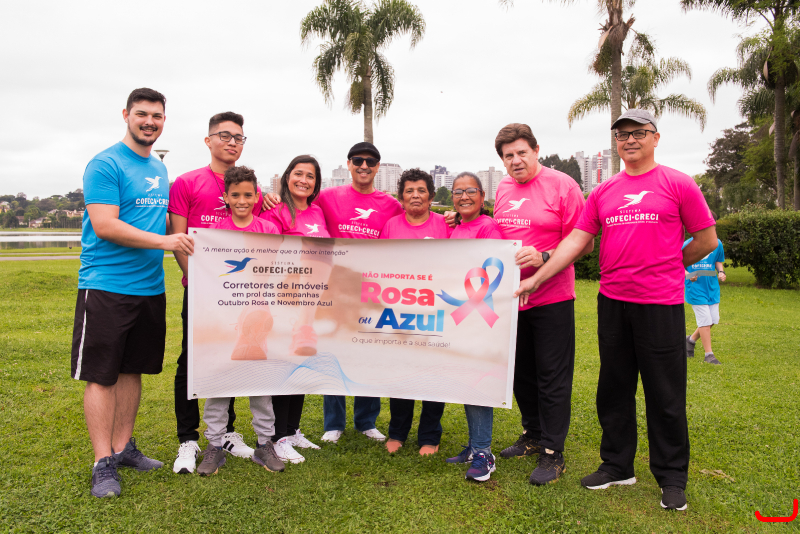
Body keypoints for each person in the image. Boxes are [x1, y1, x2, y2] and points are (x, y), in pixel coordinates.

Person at [515, 109, 718, 511]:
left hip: (659, 305)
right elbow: (576, 240)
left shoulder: (678, 183)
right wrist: (537, 278)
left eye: (639, 132)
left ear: (655, 138)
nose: (630, 140)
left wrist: (670, 265)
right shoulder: (604, 191)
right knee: (614, 389)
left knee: (665, 393)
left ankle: (671, 477)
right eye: (622, 134)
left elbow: (707, 239)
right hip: (612, 302)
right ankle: (617, 465)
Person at [72, 88, 194, 498]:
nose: (149, 122)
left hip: (149, 288)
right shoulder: (105, 164)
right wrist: (166, 242)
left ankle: (123, 448)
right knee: (101, 375)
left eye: (157, 116)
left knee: (131, 370)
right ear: (126, 114)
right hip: (106, 286)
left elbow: (164, 222)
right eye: (142, 114)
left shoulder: (158, 168)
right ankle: (102, 461)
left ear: (164, 121)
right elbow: (105, 225)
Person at [491, 123, 590, 486]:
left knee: (552, 376)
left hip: (552, 297)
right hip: (511, 299)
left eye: (521, 152)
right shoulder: (503, 188)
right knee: (521, 373)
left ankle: (552, 451)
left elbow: (584, 243)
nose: (515, 161)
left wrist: (544, 255)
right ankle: (532, 433)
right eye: (508, 156)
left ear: (536, 150)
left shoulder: (563, 186)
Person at [168, 112, 265, 474]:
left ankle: (227, 433)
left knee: (234, 356)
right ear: (208, 140)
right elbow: (179, 240)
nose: (232, 142)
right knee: (192, 360)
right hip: (201, 292)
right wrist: (199, 282)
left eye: (238, 137)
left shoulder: (251, 190)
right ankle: (188, 437)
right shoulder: (187, 182)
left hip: (241, 296)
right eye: (224, 135)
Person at [196, 166, 286, 476]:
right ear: (225, 197)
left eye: (248, 194)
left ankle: (264, 443)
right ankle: (215, 445)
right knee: (220, 379)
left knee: (260, 380)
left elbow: (277, 270)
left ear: (257, 196)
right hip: (223, 317)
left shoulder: (269, 230)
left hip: (259, 314)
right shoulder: (214, 233)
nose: (242, 200)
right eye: (235, 195)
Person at [315, 142, 403, 444]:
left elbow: (413, 223)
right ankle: (333, 423)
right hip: (335, 287)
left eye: (370, 161)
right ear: (349, 164)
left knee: (369, 352)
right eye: (358, 160)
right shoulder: (327, 197)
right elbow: (298, 207)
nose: (364, 166)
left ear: (377, 167)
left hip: (372, 290)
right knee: (333, 350)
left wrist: (450, 218)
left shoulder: (391, 204)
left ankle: (366, 421)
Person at [260, 155, 331, 463]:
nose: (304, 180)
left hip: (311, 302)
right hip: (285, 299)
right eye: (298, 174)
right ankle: (278, 437)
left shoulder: (317, 211)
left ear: (316, 183)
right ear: (287, 177)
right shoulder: (275, 212)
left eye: (310, 176)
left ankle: (292, 429)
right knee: (283, 364)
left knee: (300, 362)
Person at [379, 169, 449, 456]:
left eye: (421, 190)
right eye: (409, 191)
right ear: (401, 197)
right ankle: (397, 432)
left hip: (436, 312)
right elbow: (380, 267)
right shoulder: (391, 226)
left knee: (434, 372)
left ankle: (430, 435)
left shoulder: (445, 225)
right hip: (401, 312)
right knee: (401, 372)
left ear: (431, 197)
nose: (415, 195)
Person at [444, 172, 505, 482]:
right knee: (468, 380)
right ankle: (474, 445)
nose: (464, 196)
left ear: (482, 197)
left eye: (470, 191)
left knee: (478, 380)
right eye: (458, 192)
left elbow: (488, 276)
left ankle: (484, 452)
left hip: (479, 317)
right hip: (464, 317)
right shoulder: (456, 228)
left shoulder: (488, 227)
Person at [684, 234, 726, 365]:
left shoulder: (716, 243)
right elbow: (678, 265)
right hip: (695, 288)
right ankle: (709, 355)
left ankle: (690, 340)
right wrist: (689, 275)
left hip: (712, 288)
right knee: (705, 320)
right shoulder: (687, 245)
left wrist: (721, 272)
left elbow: (718, 260)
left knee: (713, 320)